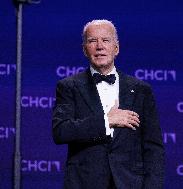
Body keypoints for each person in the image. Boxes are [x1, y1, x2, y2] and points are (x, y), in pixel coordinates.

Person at [52, 19, 165, 189]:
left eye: (106, 40)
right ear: (84, 50)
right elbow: (61, 131)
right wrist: (106, 121)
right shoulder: (68, 87)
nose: (99, 46)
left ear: (116, 48)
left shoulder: (141, 90)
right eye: (92, 41)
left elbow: (153, 148)